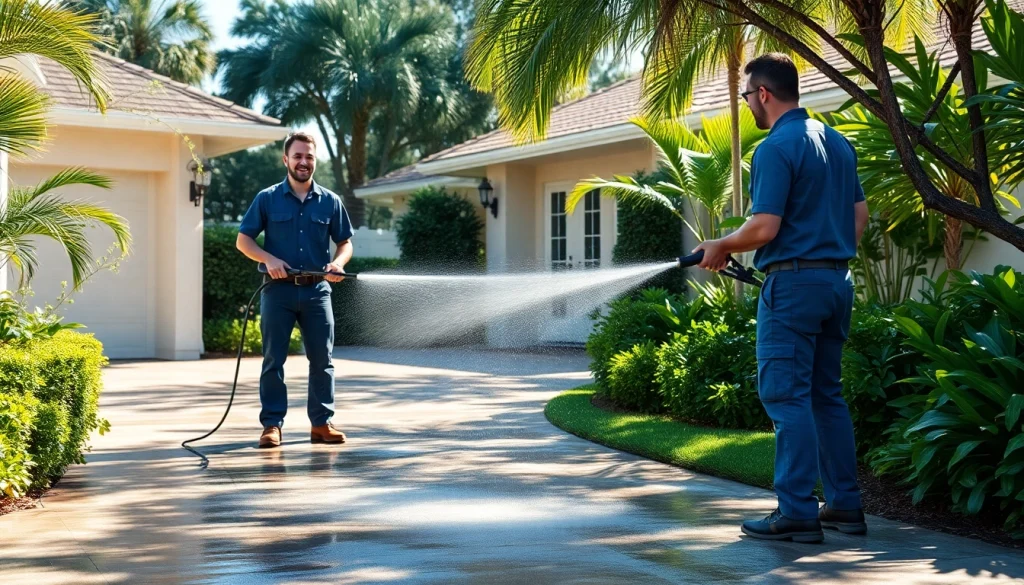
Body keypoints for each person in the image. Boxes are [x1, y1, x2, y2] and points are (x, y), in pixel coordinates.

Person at [693, 53, 870, 543]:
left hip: (793, 288)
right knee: (825, 396)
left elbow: (766, 226)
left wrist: (723, 245)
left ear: (764, 94)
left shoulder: (774, 148)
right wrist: (822, 254)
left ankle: (796, 512)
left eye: (748, 95)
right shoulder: (836, 143)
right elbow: (859, 218)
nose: (748, 103)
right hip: (836, 283)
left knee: (786, 397)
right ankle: (845, 507)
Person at [236, 131, 354, 449]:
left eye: (309, 156)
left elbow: (345, 243)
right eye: (298, 156)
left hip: (318, 292)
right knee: (274, 360)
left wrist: (338, 263)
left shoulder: (331, 201)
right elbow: (243, 240)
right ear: (285, 159)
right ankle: (272, 425)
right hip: (278, 292)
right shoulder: (267, 198)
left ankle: (321, 424)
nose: (304, 162)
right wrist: (268, 258)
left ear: (315, 161)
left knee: (322, 360)